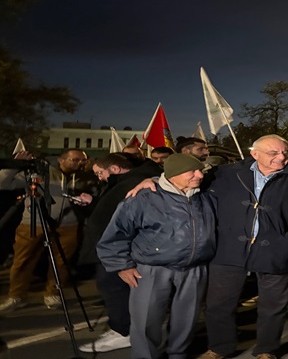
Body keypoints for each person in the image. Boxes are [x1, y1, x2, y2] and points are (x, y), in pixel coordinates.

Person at [200, 135, 288, 359]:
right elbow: (186, 181)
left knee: (272, 307)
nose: (281, 158)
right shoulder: (225, 174)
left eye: (284, 152)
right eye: (273, 153)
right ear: (254, 154)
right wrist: (150, 181)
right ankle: (219, 347)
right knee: (218, 305)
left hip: (276, 253)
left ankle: (266, 349)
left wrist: (287, 244)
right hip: (228, 251)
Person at [96, 154, 215, 359]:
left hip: (195, 268)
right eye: (192, 171)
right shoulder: (143, 198)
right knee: (146, 319)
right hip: (151, 269)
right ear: (173, 175)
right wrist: (121, 265)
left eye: (200, 170)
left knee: (186, 318)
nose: (199, 175)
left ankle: (178, 354)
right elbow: (116, 234)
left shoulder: (205, 196)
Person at [78, 153, 162, 353]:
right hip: (114, 250)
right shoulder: (125, 183)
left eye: (100, 173)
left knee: (115, 289)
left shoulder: (135, 184)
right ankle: (123, 328)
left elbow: (128, 219)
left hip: (121, 251)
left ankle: (123, 332)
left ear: (114, 169)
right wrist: (94, 201)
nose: (99, 178)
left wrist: (121, 260)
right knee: (115, 289)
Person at [0, 149, 94, 313]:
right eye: (75, 160)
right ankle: (17, 296)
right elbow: (3, 184)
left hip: (68, 224)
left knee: (61, 262)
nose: (80, 164)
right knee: (23, 260)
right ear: (60, 160)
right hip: (34, 223)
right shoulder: (38, 171)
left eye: (82, 161)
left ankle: (53, 293)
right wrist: (14, 166)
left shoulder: (88, 177)